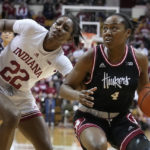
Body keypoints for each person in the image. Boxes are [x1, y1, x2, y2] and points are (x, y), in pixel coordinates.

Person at [60, 13, 150, 150]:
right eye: (105, 28)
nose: (108, 32)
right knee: (97, 146)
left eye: (114, 28)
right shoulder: (90, 57)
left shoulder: (140, 59)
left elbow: (144, 93)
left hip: (121, 118)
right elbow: (64, 88)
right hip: (90, 116)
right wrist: (77, 95)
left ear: (128, 32)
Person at [0, 13, 82, 150]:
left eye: (65, 28)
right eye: (58, 23)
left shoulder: (61, 60)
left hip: (20, 94)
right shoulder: (31, 27)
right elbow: (3, 24)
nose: (59, 28)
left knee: (46, 147)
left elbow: (75, 82)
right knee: (12, 116)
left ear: (69, 39)